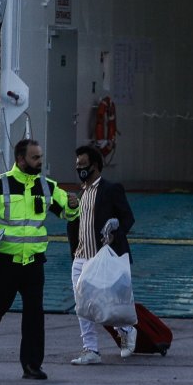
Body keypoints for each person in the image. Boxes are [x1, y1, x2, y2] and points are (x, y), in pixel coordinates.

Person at [0, 138, 78, 381]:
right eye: (35, 157)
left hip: (34, 262)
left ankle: (31, 364)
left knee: (34, 314)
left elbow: (67, 212)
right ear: (20, 160)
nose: (40, 161)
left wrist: (73, 205)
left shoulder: (48, 186)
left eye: (40, 156)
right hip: (5, 262)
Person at [67, 143, 136, 364]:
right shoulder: (82, 193)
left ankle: (125, 329)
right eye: (77, 165)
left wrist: (116, 227)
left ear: (95, 166)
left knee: (106, 303)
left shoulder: (110, 189)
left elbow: (128, 218)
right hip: (80, 256)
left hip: (100, 257)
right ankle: (91, 349)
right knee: (82, 304)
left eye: (83, 165)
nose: (79, 169)